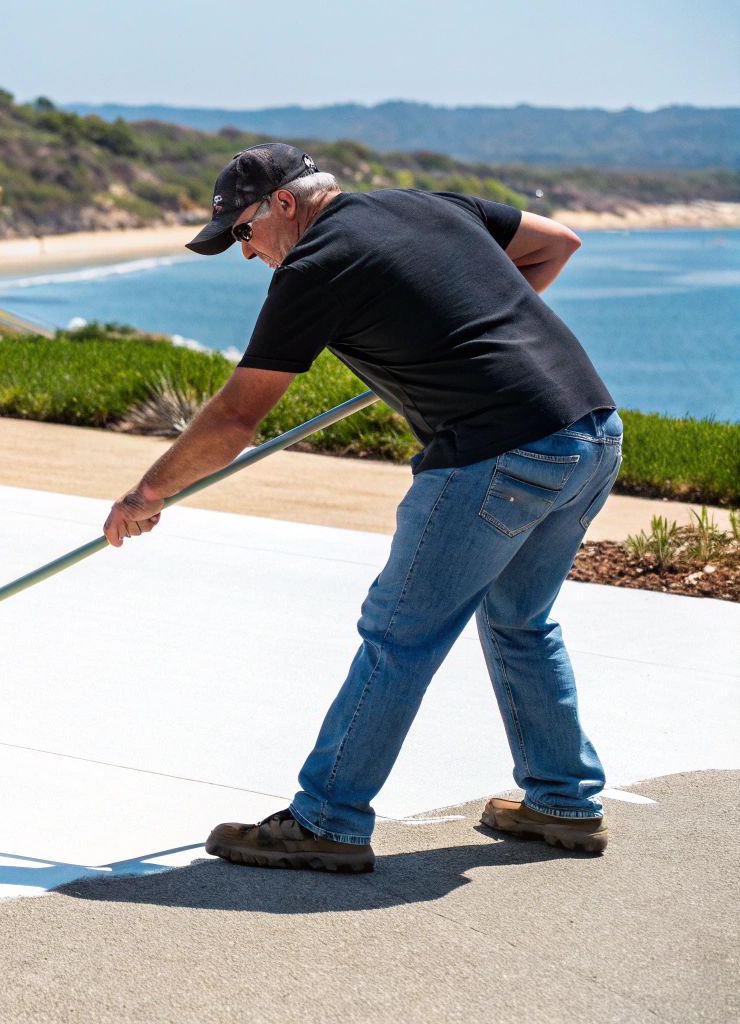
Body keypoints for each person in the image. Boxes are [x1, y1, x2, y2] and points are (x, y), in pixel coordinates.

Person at [104, 143, 620, 872]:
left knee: (399, 635)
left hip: (499, 451)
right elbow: (555, 243)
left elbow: (233, 419)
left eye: (243, 235)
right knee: (519, 620)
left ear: (284, 204)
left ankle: (327, 821)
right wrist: (444, 337)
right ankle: (565, 803)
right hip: (591, 434)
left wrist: (148, 493)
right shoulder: (425, 203)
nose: (248, 256)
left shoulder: (316, 267)